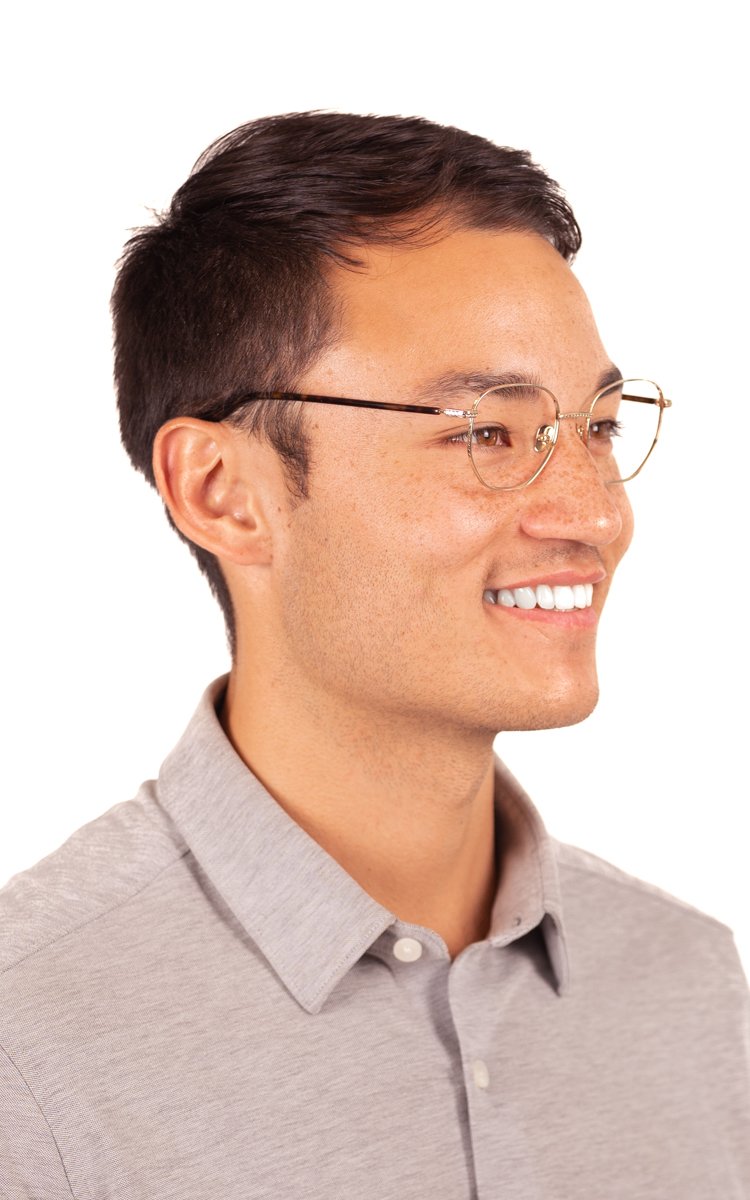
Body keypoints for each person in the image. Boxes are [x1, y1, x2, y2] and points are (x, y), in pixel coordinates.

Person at [1, 112, 747, 1199]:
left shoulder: (688, 985)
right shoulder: (29, 1042)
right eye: (485, 432)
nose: (596, 515)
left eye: (598, 428)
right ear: (223, 492)